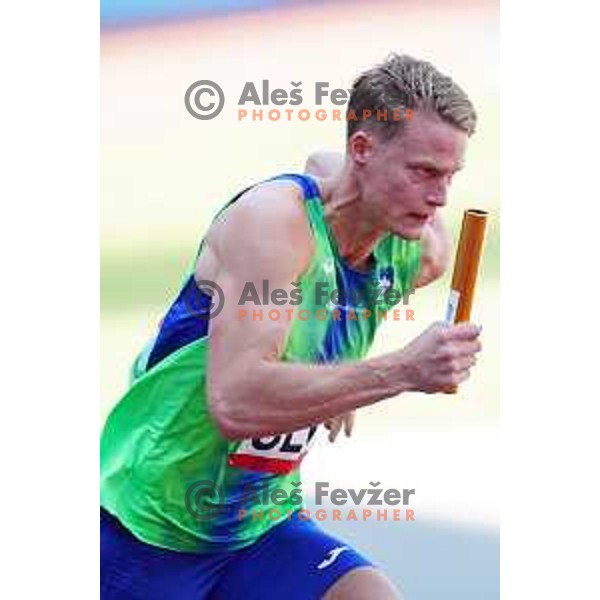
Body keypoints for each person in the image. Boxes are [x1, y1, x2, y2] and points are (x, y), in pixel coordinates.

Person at [101, 53, 482, 599]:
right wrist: (395, 371)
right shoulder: (272, 225)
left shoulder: (419, 250)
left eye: (450, 175)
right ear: (363, 150)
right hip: (148, 526)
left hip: (259, 524)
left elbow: (324, 162)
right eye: (422, 171)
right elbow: (235, 403)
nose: (439, 196)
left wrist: (333, 372)